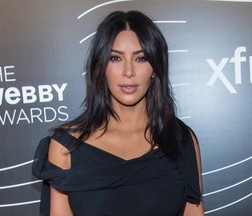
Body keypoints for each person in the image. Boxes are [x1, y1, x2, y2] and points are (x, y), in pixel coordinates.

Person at [32, 10, 204, 216]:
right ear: (101, 66)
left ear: (156, 68)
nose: (128, 71)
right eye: (115, 58)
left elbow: (193, 212)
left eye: (141, 58)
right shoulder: (65, 147)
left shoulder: (180, 139)